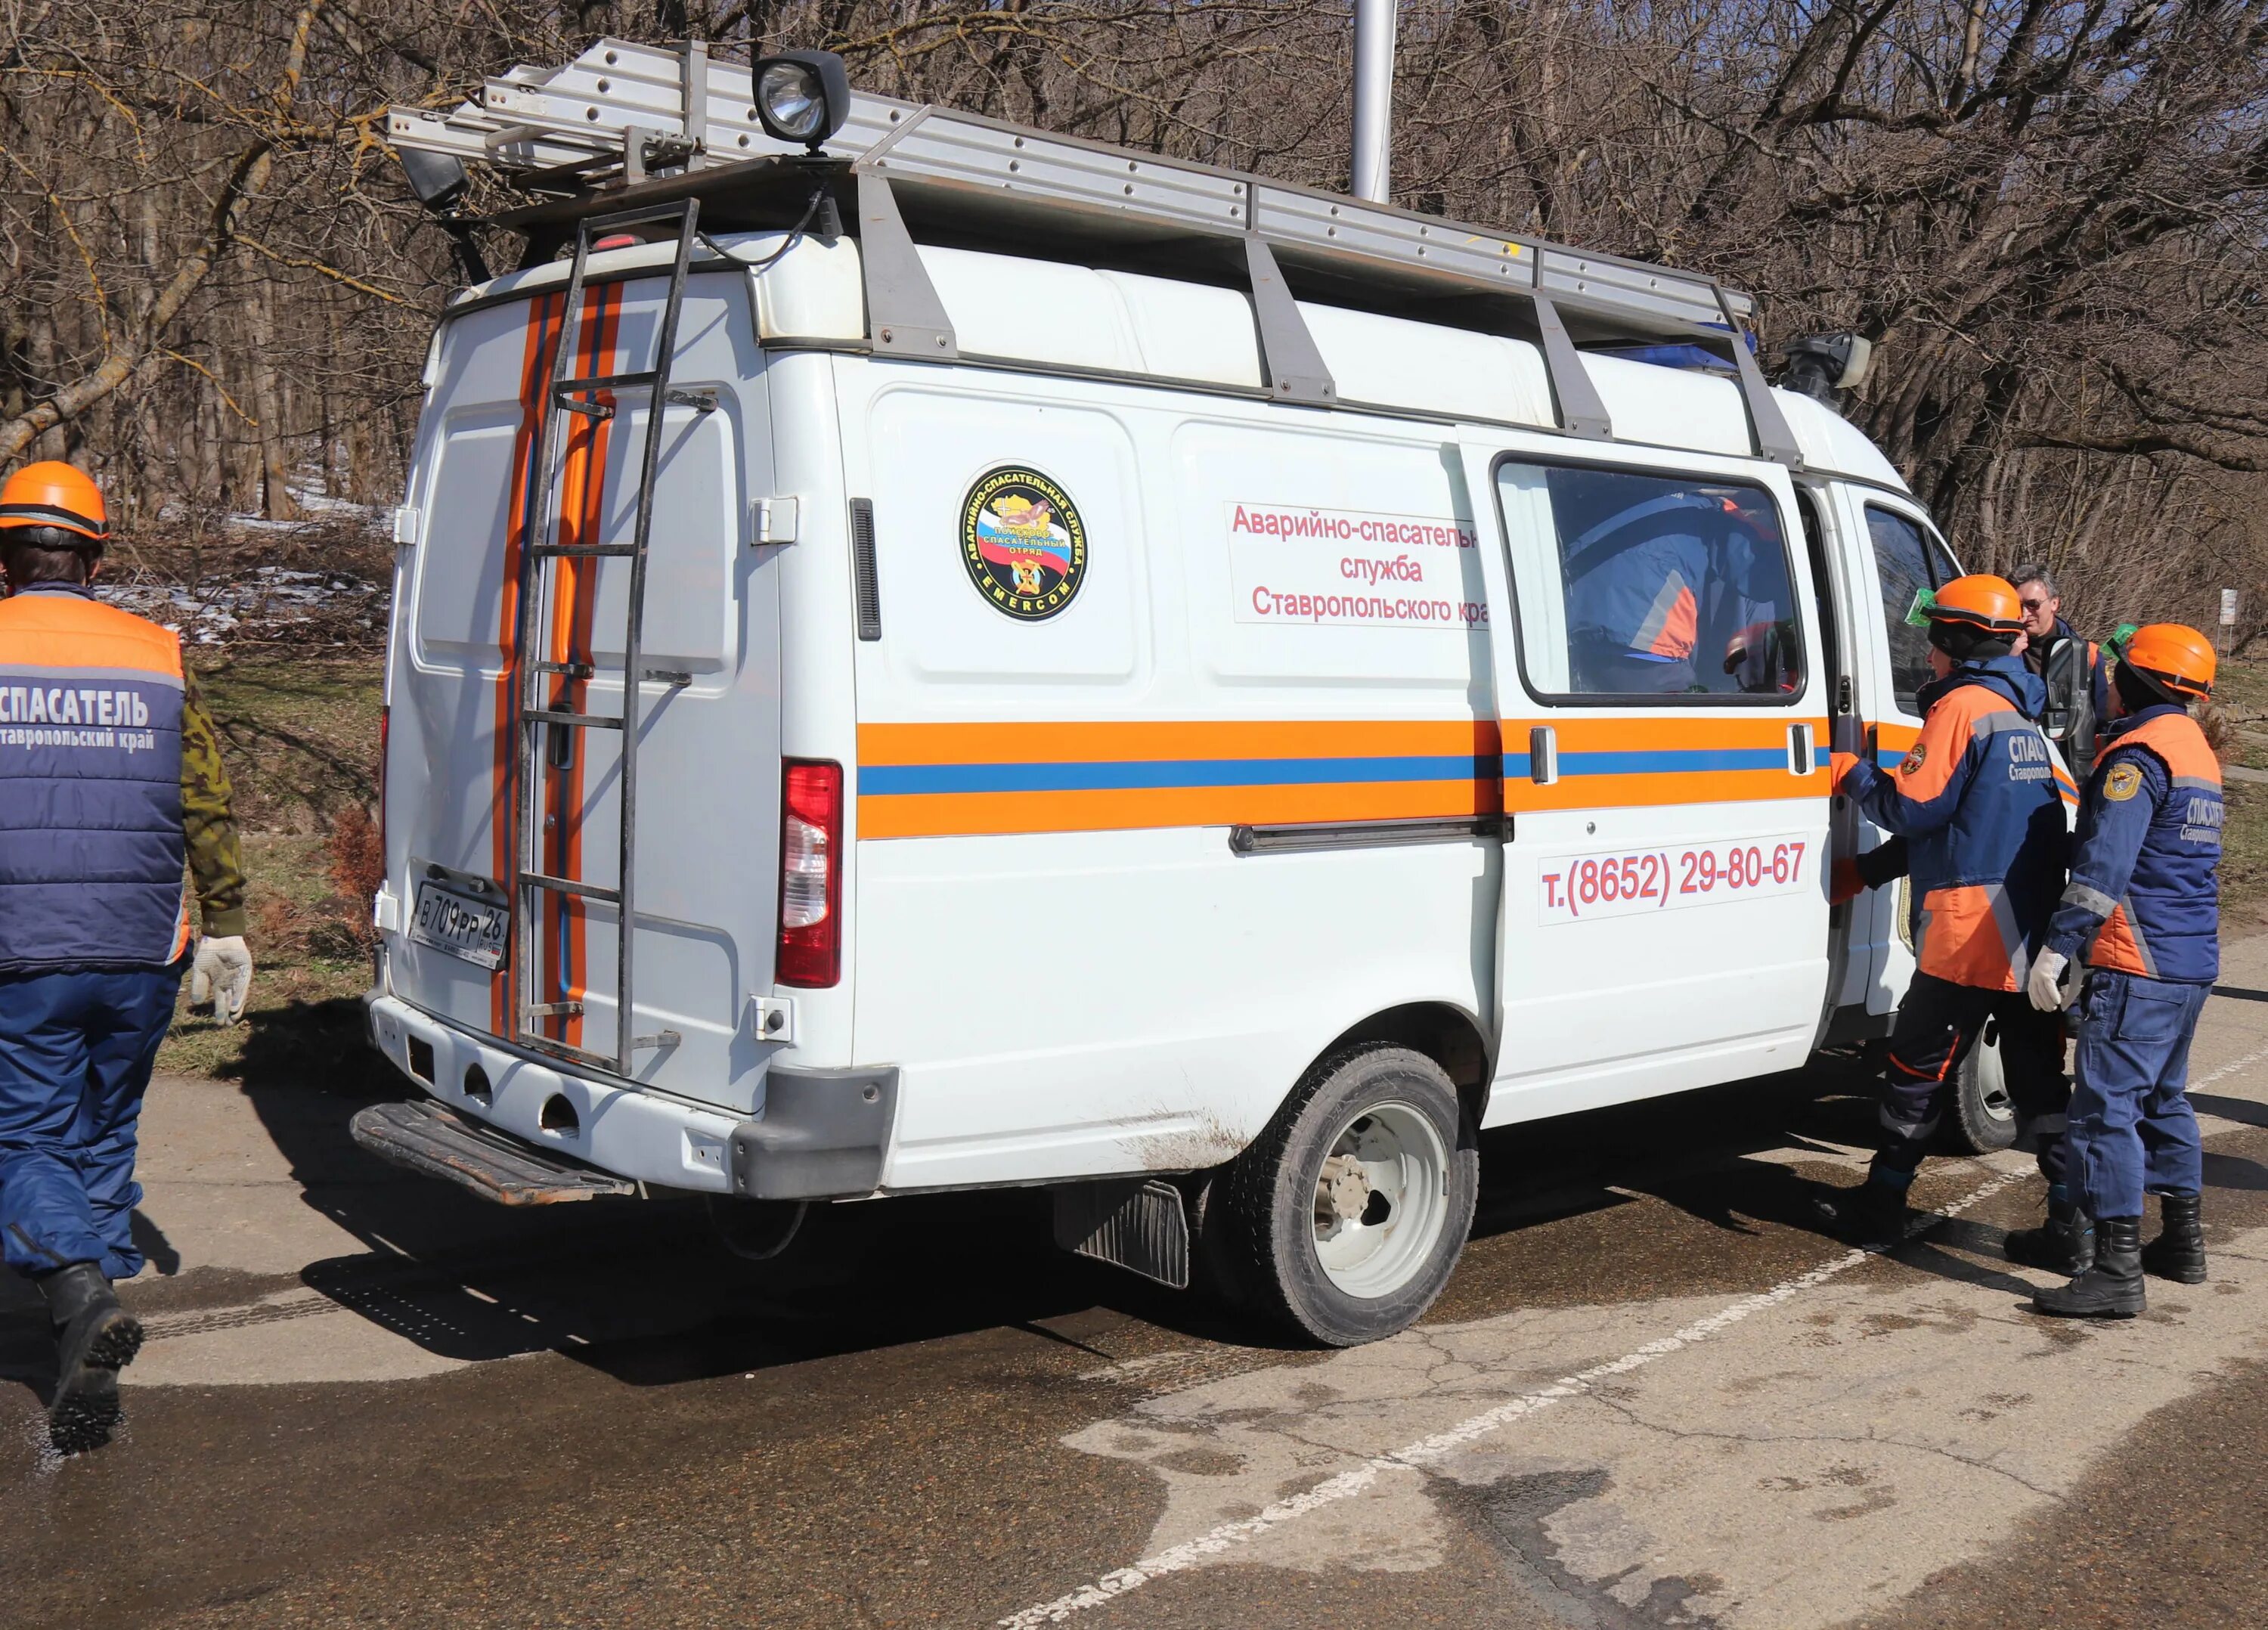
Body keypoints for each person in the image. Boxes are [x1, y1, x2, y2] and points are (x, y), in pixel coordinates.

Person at [0, 461, 252, 1452]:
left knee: (20, 1140)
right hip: (145, 949)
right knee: (103, 1124)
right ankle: (93, 1291)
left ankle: (79, 1293)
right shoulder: (156, 656)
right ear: (94, 557)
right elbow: (205, 797)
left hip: (24, 956)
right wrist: (225, 919)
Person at [1815, 575, 2071, 1244]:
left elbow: (1914, 807)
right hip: (2025, 922)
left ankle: (1882, 1202)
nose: (1925, 655)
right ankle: (2072, 1221)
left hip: (1969, 930)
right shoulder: (2019, 711)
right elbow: (1975, 823)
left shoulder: (1960, 707)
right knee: (2038, 1074)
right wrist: (1870, 871)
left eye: (1932, 641)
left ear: (1956, 642)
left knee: (1916, 1064)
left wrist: (1852, 772)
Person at [2024, 624, 2220, 1319]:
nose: (2105, 680)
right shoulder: (2196, 750)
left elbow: (2105, 865)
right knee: (2165, 1100)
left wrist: (2057, 946)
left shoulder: (2138, 754)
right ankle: (2184, 1244)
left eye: (2116, 671)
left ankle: (2115, 1270)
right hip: (2190, 958)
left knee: (2107, 1110)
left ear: (2141, 680)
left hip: (2137, 961)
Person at [2009, 562, 2107, 769]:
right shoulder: (2001, 650)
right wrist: (2009, 658)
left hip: (2070, 767)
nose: (2025, 614)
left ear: (2054, 603)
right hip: (2015, 763)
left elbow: (2102, 722)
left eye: (2033, 604)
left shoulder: (2087, 655)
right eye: (2017, 605)